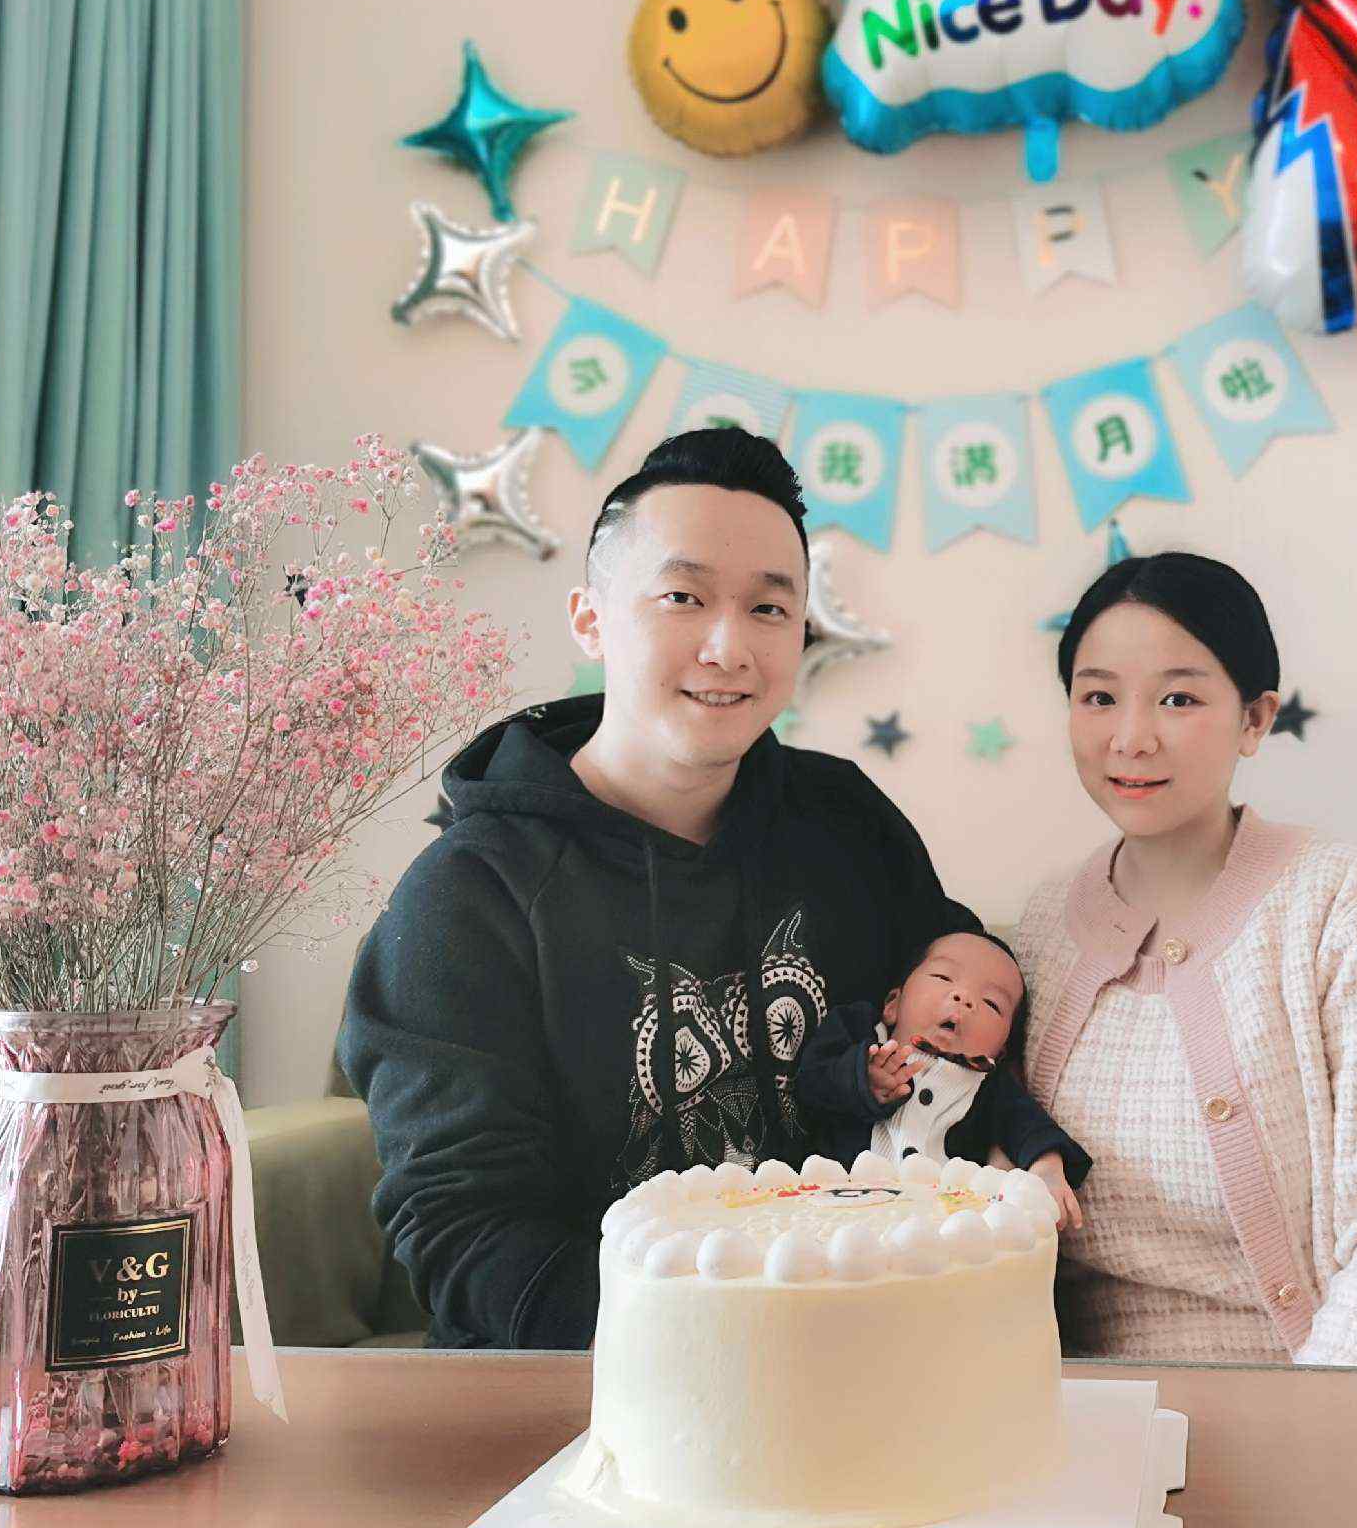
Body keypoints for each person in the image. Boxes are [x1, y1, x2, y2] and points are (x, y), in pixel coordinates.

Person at [338, 429, 977, 1349]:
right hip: (591, 1391)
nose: (729, 647)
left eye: (769, 608)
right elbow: (465, 1232)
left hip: (867, 1355)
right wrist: (724, 1346)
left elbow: (963, 1009)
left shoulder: (847, 824)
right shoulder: (468, 895)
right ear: (590, 618)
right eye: (683, 597)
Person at [1013, 552, 1357, 1366]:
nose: (1131, 738)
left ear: (1255, 719)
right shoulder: (1042, 925)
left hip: (1318, 1390)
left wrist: (1314, 1418)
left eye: (1178, 698)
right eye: (1099, 697)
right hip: (1078, 1407)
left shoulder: (1344, 900)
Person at [795, 929, 1090, 1228]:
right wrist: (862, 1079)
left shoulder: (988, 1086)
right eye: (943, 977)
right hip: (842, 1218)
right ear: (893, 1003)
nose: (964, 998)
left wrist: (1047, 1169)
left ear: (1000, 1050)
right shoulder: (859, 1034)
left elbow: (1030, 1128)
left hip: (944, 1232)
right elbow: (811, 1083)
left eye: (992, 1003)